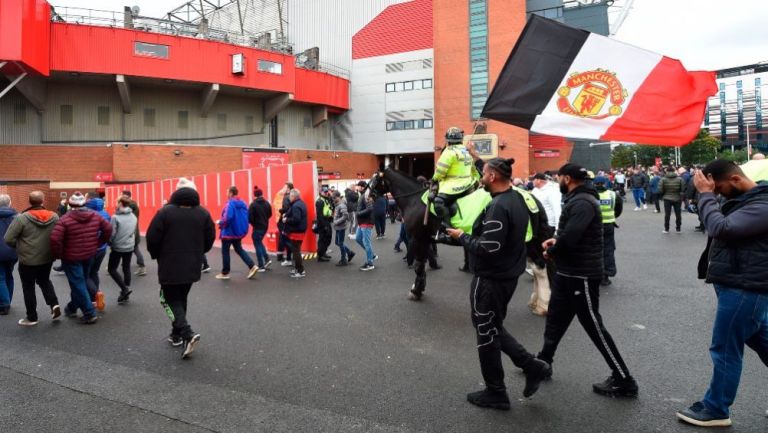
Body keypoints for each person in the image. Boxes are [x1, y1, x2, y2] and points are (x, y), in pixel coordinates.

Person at [446, 157, 550, 410]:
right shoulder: (517, 199)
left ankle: (496, 391)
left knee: (485, 329)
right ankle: (531, 365)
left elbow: (488, 247)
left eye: (483, 174)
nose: (481, 178)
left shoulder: (498, 205)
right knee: (491, 326)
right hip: (508, 276)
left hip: (491, 278)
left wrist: (462, 237)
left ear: (492, 176)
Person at [675, 160, 768, 427]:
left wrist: (705, 195)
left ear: (736, 180)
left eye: (720, 189)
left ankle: (716, 409)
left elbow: (721, 228)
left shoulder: (763, 204)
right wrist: (704, 196)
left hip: (746, 288)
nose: (718, 194)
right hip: (739, 284)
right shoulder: (748, 200)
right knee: (761, 340)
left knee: (725, 347)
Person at [539, 164, 638, 397]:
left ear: (566, 178)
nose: (558, 181)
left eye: (559, 178)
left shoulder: (582, 202)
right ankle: (543, 362)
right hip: (568, 272)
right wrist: (556, 242)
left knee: (594, 327)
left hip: (580, 274)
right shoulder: (577, 199)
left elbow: (572, 236)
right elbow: (570, 233)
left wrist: (553, 251)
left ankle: (624, 379)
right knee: (555, 320)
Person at [146, 178, 215, 359]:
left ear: (176, 192)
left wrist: (157, 254)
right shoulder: (203, 213)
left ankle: (186, 332)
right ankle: (177, 335)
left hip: (169, 262)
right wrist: (199, 252)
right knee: (181, 297)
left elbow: (152, 238)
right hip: (192, 263)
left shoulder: (165, 212)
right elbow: (209, 239)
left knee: (166, 299)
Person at [49, 192, 112, 325]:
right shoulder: (95, 216)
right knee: (80, 282)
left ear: (70, 204)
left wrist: (58, 254)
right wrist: (99, 243)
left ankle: (89, 313)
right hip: (89, 254)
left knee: (78, 283)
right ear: (84, 203)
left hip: (71, 257)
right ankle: (72, 308)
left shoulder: (65, 219)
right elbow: (108, 228)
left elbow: (55, 239)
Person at [3, 191, 61, 325]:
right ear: (43, 201)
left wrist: (19, 248)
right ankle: (54, 304)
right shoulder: (54, 216)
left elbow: (8, 238)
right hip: (47, 258)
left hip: (27, 260)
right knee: (45, 281)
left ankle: (32, 317)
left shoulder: (22, 218)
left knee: (28, 287)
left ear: (29, 201)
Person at [432, 127, 479, 232]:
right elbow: (473, 169)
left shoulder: (448, 152)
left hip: (453, 187)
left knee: (439, 201)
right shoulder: (466, 151)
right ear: (461, 139)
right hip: (469, 185)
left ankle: (447, 228)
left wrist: (434, 178)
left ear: (447, 140)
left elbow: (440, 171)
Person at [216, 186, 258, 280]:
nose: (226, 194)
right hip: (238, 232)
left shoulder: (230, 204)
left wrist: (220, 222)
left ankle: (225, 273)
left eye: (227, 192)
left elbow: (228, 217)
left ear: (231, 193)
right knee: (239, 249)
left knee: (225, 252)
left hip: (228, 232)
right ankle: (252, 266)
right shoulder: (243, 203)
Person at [594, 176, 623, 286]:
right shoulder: (612, 194)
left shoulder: (590, 195)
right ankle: (605, 276)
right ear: (605, 183)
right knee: (608, 249)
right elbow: (618, 209)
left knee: (594, 250)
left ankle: (594, 274)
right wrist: (612, 217)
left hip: (594, 226)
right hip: (608, 226)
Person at [108, 196, 137, 304]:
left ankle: (125, 289)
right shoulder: (133, 216)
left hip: (118, 247)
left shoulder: (115, 217)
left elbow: (112, 233)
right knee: (126, 267)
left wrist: (109, 242)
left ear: (120, 203)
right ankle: (125, 292)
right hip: (129, 246)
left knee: (112, 269)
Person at [84, 192, 110, 307]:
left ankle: (96, 293)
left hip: (90, 248)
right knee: (94, 272)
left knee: (85, 275)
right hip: (102, 248)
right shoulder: (106, 214)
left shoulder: (89, 215)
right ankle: (94, 299)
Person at [282, 188, 308, 279]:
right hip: (300, 230)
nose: (289, 197)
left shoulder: (296, 206)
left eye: (290, 196)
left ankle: (300, 271)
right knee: (296, 250)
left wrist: (286, 220)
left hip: (297, 231)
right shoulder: (301, 203)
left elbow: (296, 219)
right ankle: (298, 268)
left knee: (296, 251)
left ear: (293, 196)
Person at [0, 195, 18, 316]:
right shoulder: (17, 217)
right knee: (9, 275)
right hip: (13, 251)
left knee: (0, 278)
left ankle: (4, 304)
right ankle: (8, 300)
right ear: (10, 203)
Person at [248, 187, 272, 272]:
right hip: (265, 226)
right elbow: (270, 214)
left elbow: (250, 218)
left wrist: (254, 223)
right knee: (259, 242)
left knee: (257, 244)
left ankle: (261, 265)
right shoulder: (267, 203)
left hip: (257, 227)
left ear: (254, 195)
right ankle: (267, 259)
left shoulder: (253, 205)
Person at [122, 190, 146, 277]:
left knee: (121, 249)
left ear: (125, 196)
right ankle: (141, 266)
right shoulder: (134, 204)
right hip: (134, 230)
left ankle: (142, 266)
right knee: (135, 249)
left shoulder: (128, 207)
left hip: (128, 231)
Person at [355, 190, 377, 271]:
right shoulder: (362, 195)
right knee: (358, 238)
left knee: (366, 242)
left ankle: (370, 263)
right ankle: (372, 255)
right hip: (362, 222)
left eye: (358, 185)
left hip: (366, 222)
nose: (356, 187)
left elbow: (370, 208)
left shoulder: (366, 195)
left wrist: (358, 213)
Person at [331, 190, 355, 266]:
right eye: (332, 198)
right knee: (337, 242)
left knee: (340, 243)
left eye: (334, 198)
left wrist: (336, 221)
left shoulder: (342, 205)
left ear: (338, 197)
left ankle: (343, 260)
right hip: (338, 227)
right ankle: (350, 253)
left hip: (341, 227)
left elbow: (346, 216)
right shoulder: (337, 204)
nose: (333, 199)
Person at [660, 165, 685, 234]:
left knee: (667, 214)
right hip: (677, 198)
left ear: (667, 171)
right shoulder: (680, 179)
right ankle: (678, 229)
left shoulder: (663, 179)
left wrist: (664, 194)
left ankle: (666, 229)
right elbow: (683, 189)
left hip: (667, 198)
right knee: (678, 214)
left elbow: (660, 190)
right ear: (674, 171)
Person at [277, 182, 294, 266]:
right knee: (286, 239)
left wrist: (281, 211)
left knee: (284, 239)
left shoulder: (287, 197)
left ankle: (289, 256)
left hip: (285, 222)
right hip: (288, 221)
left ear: (288, 189)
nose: (283, 188)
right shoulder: (291, 196)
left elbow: (287, 209)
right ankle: (288, 257)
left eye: (284, 187)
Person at [315, 187, 334, 262]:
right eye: (325, 192)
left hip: (327, 221)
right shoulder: (320, 201)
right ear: (321, 192)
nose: (326, 193)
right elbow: (319, 215)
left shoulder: (327, 199)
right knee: (322, 239)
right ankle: (320, 256)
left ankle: (324, 253)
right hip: (322, 222)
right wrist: (324, 225)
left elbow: (330, 207)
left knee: (328, 238)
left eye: (327, 192)